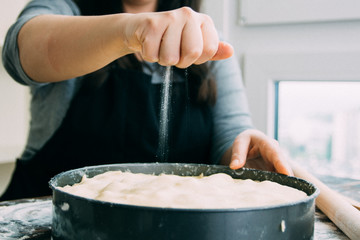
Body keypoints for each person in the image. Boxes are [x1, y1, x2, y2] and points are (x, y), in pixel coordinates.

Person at [0, 0, 292, 201]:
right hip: (46, 218)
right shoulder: (65, 10)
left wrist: (245, 153)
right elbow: (19, 52)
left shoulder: (207, 41)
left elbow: (231, 136)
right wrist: (129, 31)